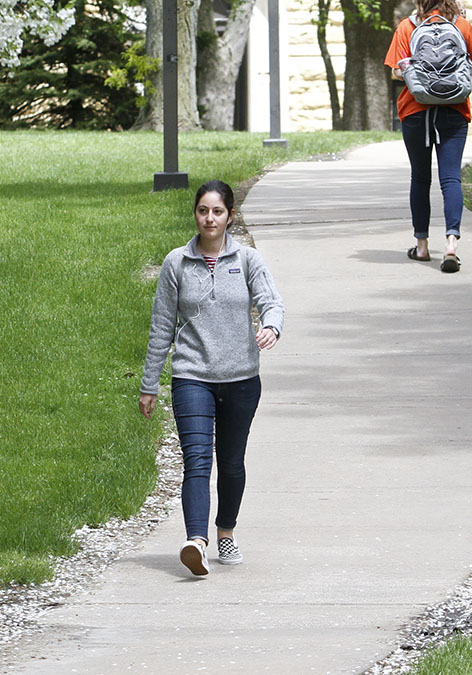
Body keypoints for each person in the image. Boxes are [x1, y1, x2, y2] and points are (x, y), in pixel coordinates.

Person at [139, 180, 285, 577]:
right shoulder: (176, 263)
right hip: (192, 377)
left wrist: (271, 326)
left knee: (232, 463)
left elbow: (271, 301)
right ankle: (196, 543)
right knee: (197, 461)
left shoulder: (248, 260)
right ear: (195, 214)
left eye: (217, 211)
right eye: (203, 211)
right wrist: (149, 383)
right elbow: (161, 327)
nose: (209, 218)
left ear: (230, 217)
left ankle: (225, 531)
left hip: (240, 378)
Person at [384, 0, 472, 273]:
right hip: (454, 111)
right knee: (451, 177)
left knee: (420, 177)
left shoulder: (407, 27)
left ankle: (422, 247)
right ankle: (451, 245)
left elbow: (396, 71)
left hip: (415, 111)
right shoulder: (461, 25)